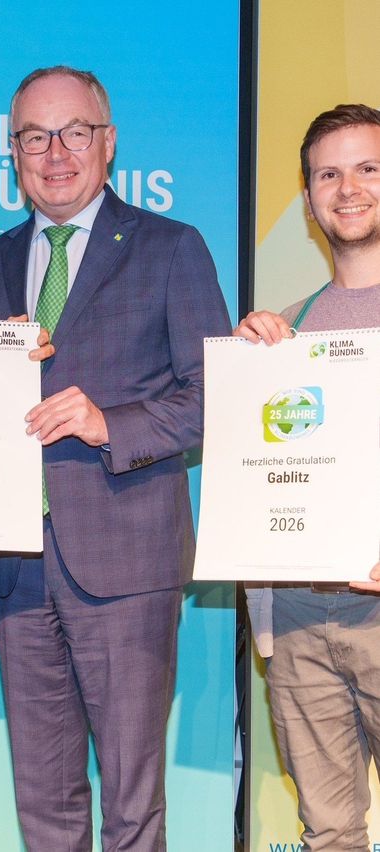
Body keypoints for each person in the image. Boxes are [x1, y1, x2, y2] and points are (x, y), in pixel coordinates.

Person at [0, 66, 232, 851]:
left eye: (74, 132)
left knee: (133, 806)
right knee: (44, 804)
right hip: (14, 568)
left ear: (108, 143)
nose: (55, 153)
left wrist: (112, 422)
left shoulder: (170, 248)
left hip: (126, 565)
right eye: (34, 137)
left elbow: (215, 394)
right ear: (12, 154)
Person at [236, 103, 380, 852]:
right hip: (296, 618)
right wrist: (243, 374)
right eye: (329, 173)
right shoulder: (285, 331)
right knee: (327, 833)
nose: (348, 187)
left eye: (368, 168)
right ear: (308, 196)